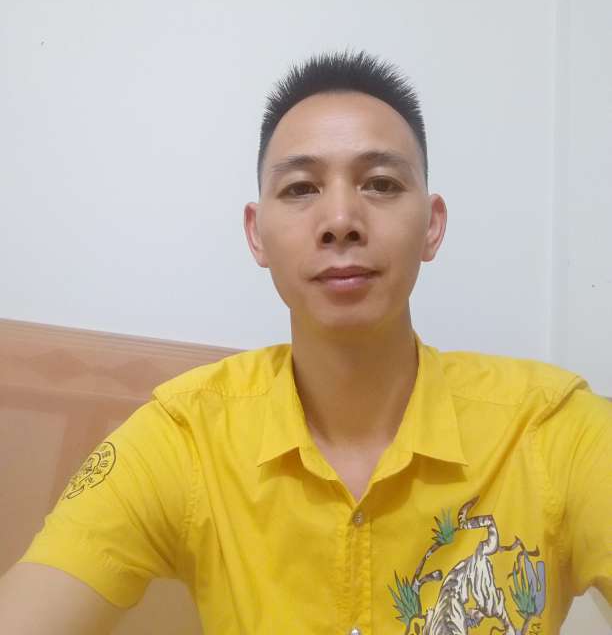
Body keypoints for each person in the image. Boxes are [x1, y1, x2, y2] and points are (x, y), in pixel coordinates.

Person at [1, 50, 610, 634]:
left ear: (432, 225)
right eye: (300, 189)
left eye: (380, 183)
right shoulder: (185, 436)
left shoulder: (553, 431)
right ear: (256, 234)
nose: (340, 220)